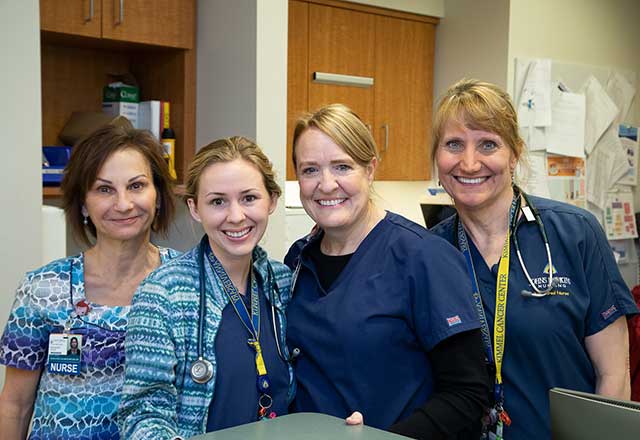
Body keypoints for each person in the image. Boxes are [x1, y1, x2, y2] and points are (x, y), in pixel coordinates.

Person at [430, 79, 639, 439]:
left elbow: (613, 375)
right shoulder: (429, 252)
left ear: (514, 154)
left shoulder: (576, 234)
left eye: (488, 144)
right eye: (453, 144)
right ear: (437, 155)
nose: (468, 161)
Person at [285, 103, 490, 439]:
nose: (326, 184)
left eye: (342, 166)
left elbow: (467, 394)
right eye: (310, 170)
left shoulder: (423, 257)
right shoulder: (297, 261)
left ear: (370, 169)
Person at [0, 125, 180, 439]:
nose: (123, 204)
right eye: (104, 189)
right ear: (83, 203)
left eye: (136, 186)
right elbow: (15, 405)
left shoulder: (186, 282)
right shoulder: (43, 288)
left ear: (159, 196)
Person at [118, 136, 294, 439]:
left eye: (249, 198)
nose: (236, 216)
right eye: (217, 201)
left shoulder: (283, 282)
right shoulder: (163, 293)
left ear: (272, 200)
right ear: (195, 208)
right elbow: (142, 411)